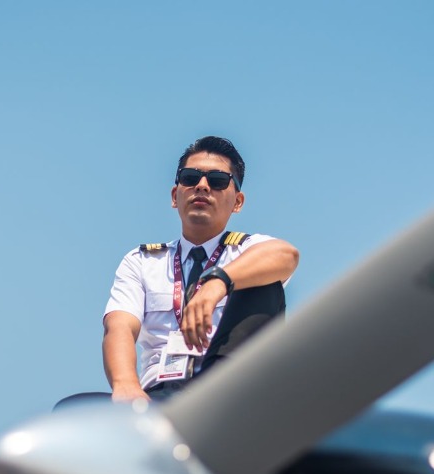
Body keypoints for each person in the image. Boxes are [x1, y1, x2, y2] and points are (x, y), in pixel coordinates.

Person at [102, 136, 299, 403]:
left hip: (228, 388)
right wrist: (126, 384)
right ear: (175, 196)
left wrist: (218, 282)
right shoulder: (143, 261)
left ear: (238, 202)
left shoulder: (246, 250)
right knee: (72, 409)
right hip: (161, 394)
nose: (202, 186)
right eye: (190, 178)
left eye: (217, 181)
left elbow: (286, 255)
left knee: (262, 282)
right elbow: (120, 326)